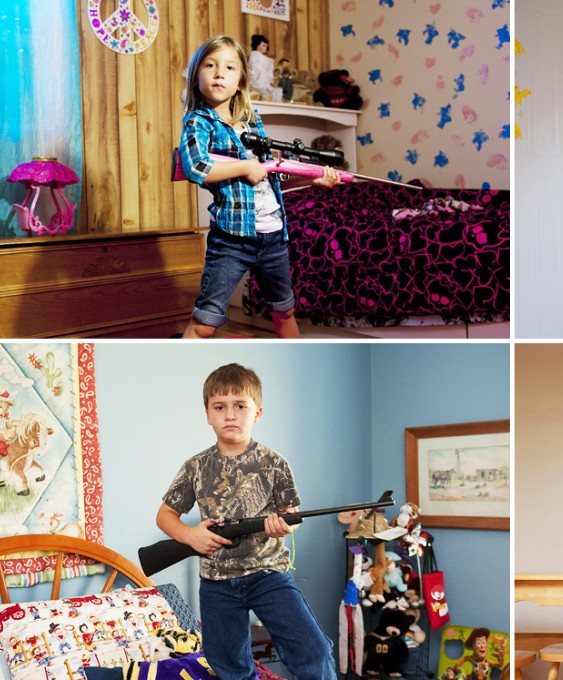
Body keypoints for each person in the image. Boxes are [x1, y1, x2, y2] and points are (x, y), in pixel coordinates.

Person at [155, 363, 336, 680]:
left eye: (240, 406)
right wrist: (190, 536)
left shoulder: (274, 463)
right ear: (208, 415)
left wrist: (284, 525)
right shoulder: (195, 466)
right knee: (229, 667)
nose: (229, 415)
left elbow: (291, 515)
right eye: (219, 407)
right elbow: (165, 516)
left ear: (258, 413)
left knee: (314, 652)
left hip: (267, 575)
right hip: (216, 583)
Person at [177, 35, 342, 339]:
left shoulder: (252, 122)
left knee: (285, 311)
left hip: (274, 236)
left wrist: (312, 178)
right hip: (232, 240)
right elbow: (195, 167)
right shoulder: (198, 121)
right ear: (196, 75)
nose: (218, 73)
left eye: (229, 67)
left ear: (240, 80)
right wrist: (245, 166)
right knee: (205, 322)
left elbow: (272, 174)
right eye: (210, 65)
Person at [248, 34, 283, 102]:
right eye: (263, 45)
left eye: (266, 46)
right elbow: (254, 70)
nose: (265, 48)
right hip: (258, 81)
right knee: (267, 92)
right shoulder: (255, 57)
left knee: (277, 92)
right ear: (257, 45)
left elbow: (269, 73)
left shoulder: (266, 59)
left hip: (265, 82)